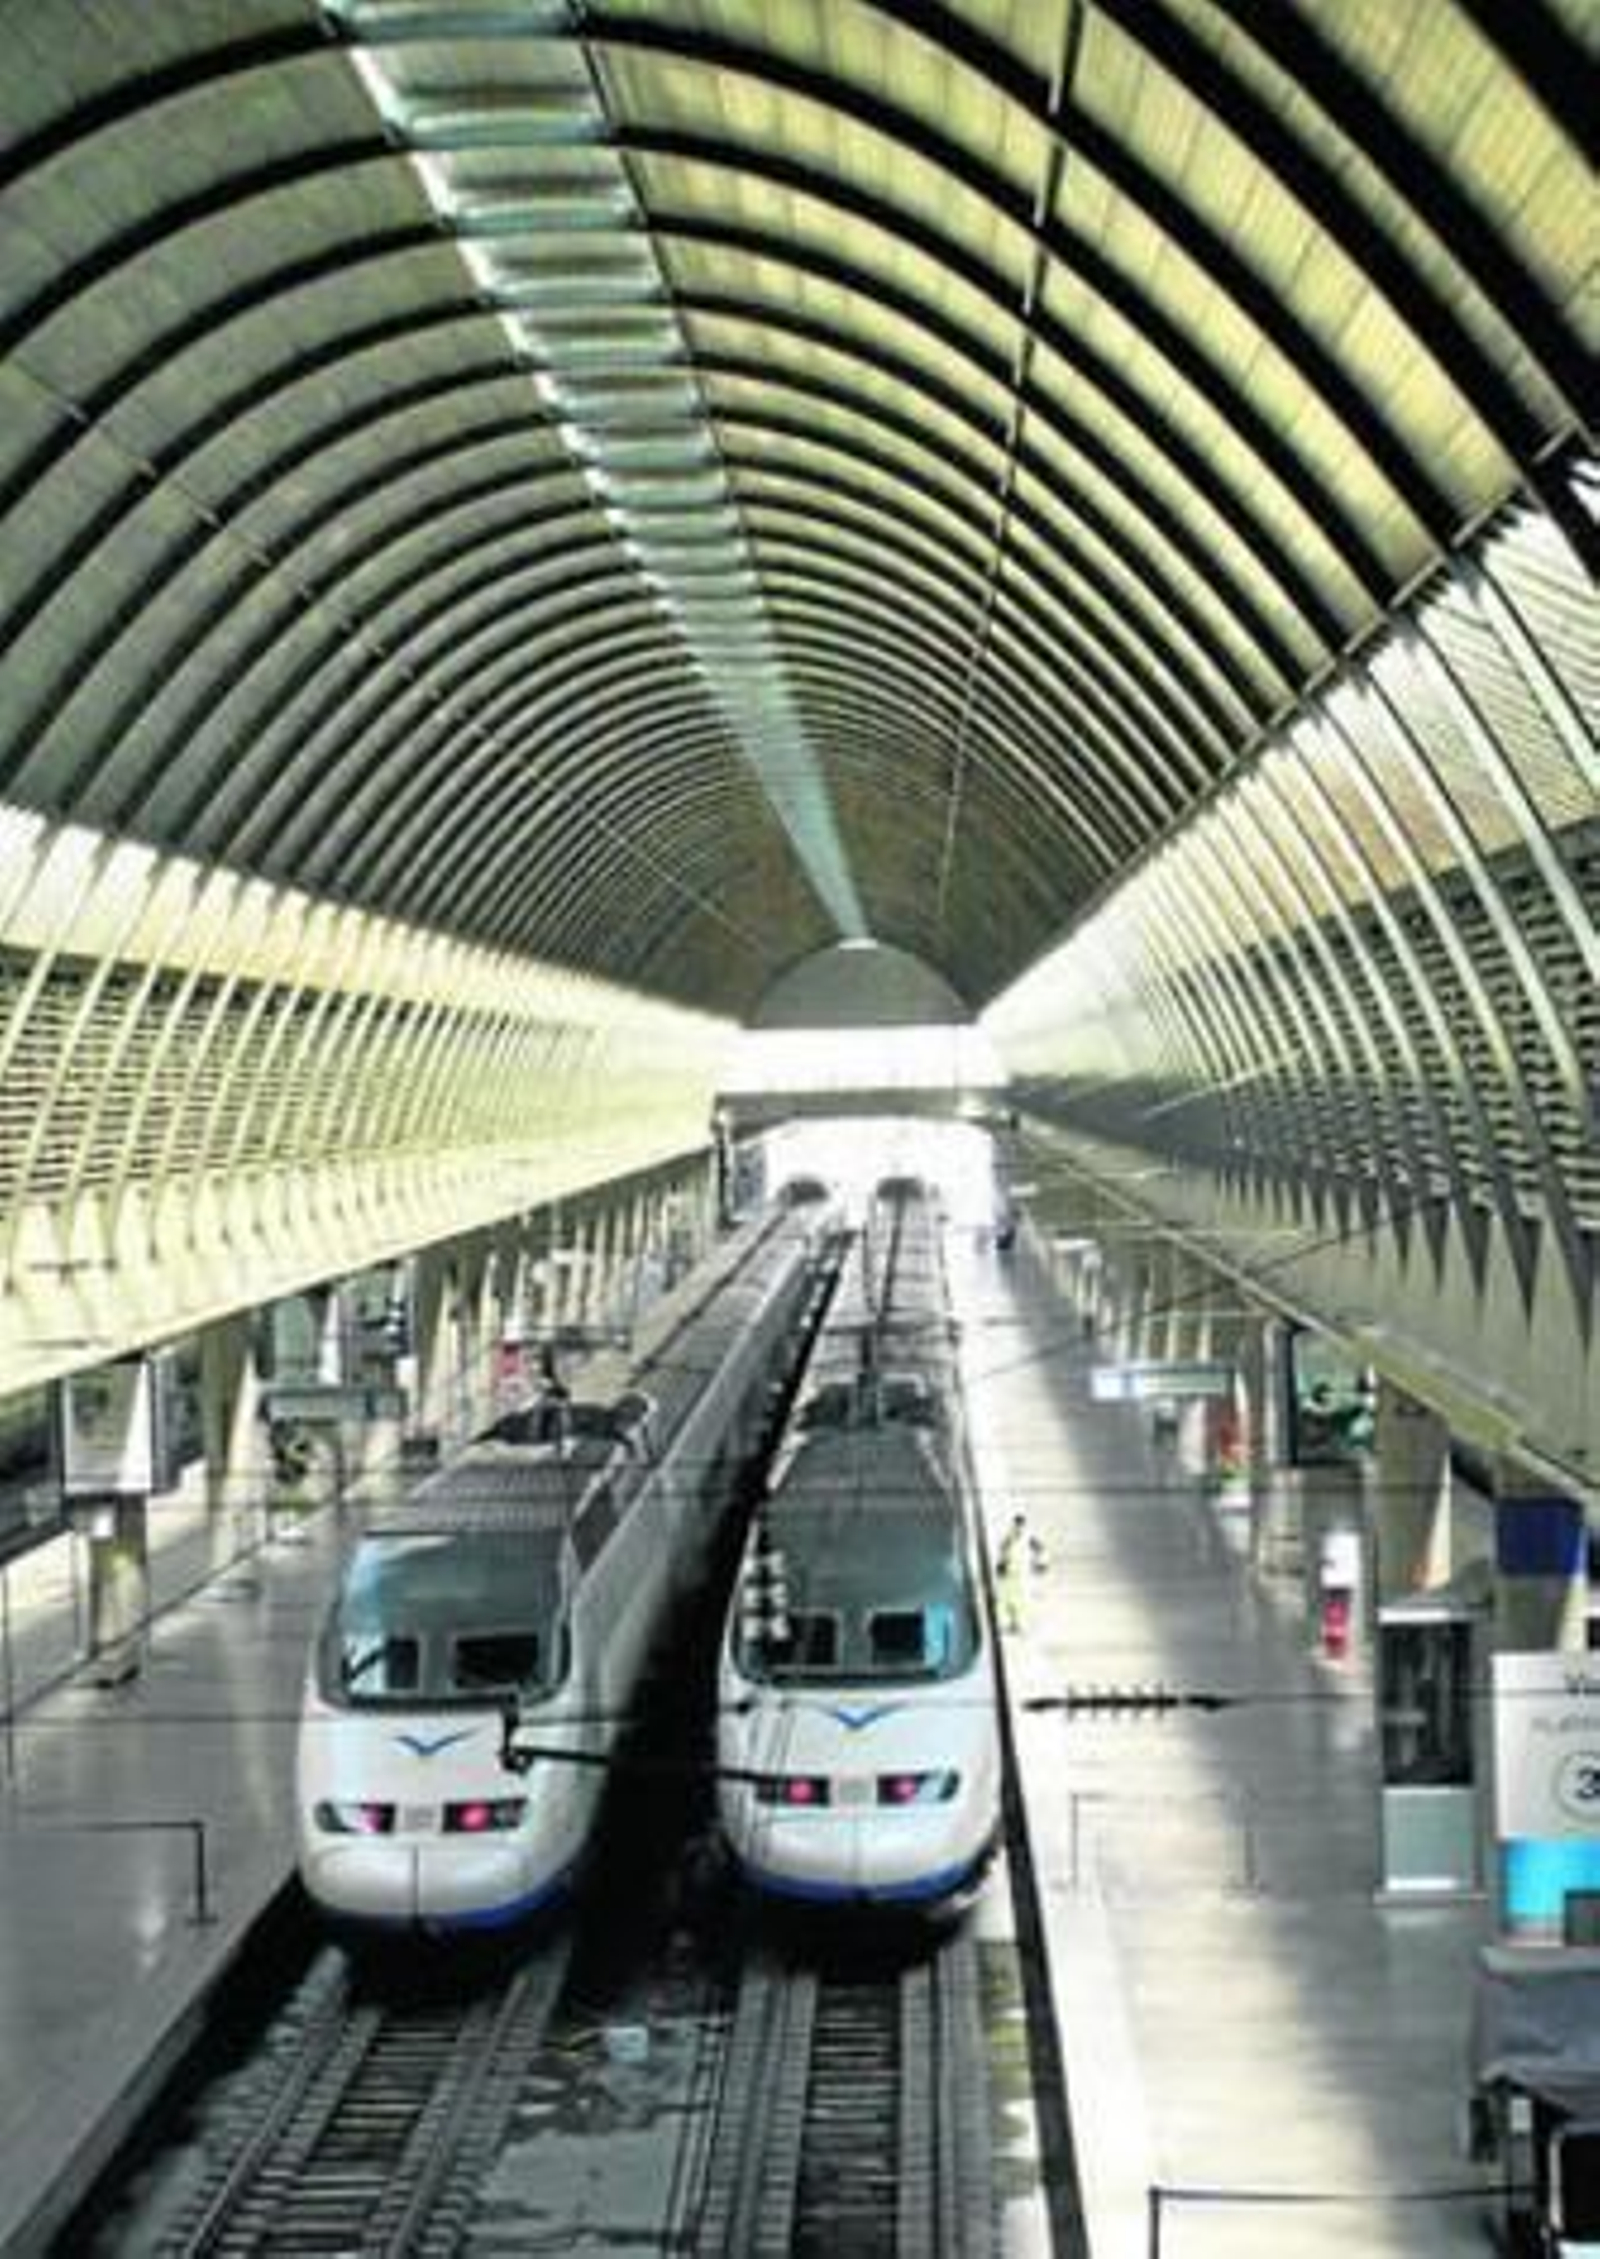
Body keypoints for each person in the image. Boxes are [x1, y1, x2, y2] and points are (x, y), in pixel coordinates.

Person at [995, 1511, 1048, 1635]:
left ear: (1024, 1526)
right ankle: (1012, 1623)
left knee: (1020, 1599)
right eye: (1016, 1525)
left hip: (1022, 1572)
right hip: (1010, 1572)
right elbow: (1003, 1551)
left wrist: (1041, 1563)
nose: (1018, 1528)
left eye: (1020, 1525)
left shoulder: (1029, 1538)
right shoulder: (1009, 1537)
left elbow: (1040, 1549)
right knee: (1007, 1598)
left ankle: (1018, 1624)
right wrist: (1000, 1566)